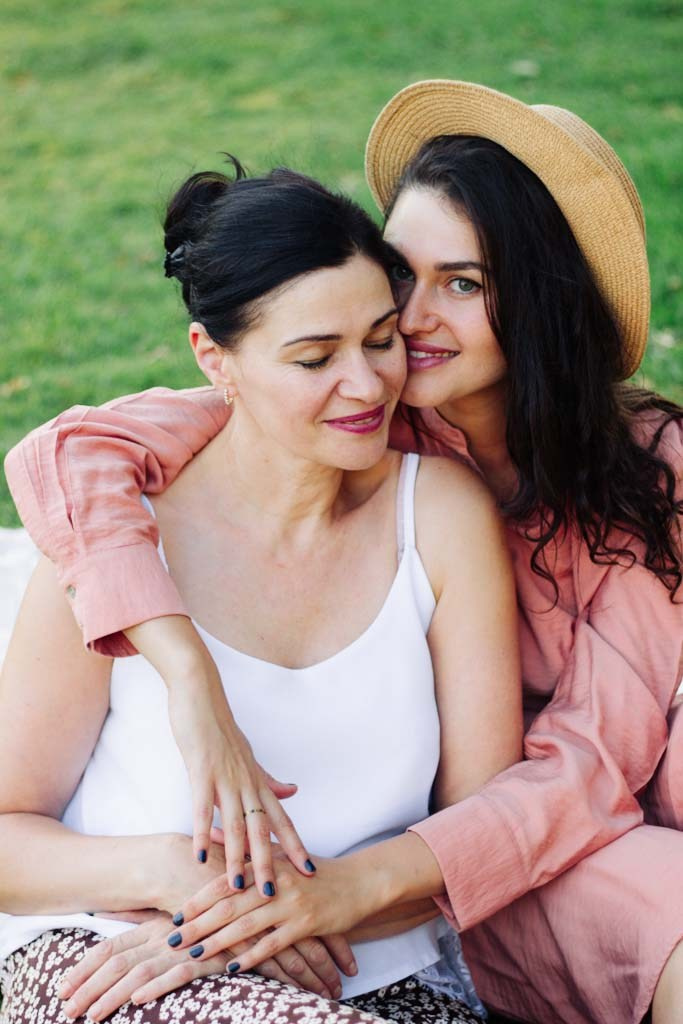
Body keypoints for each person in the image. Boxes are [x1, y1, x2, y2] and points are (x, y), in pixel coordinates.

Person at [4, 78, 683, 1024]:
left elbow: (584, 764)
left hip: (540, 834)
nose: (399, 333)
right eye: (405, 278)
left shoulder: (618, 472)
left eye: (466, 283)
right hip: (252, 916)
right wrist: (186, 679)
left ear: (543, 299)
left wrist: (323, 897)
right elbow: (68, 452)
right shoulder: (355, 426)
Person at [0, 160, 522, 1024]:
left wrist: (309, 908)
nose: (365, 385)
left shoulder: (437, 515)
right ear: (214, 357)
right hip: (124, 962)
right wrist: (178, 877)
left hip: (379, 975)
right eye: (314, 357)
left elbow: (477, 828)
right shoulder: (114, 537)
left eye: (381, 339)